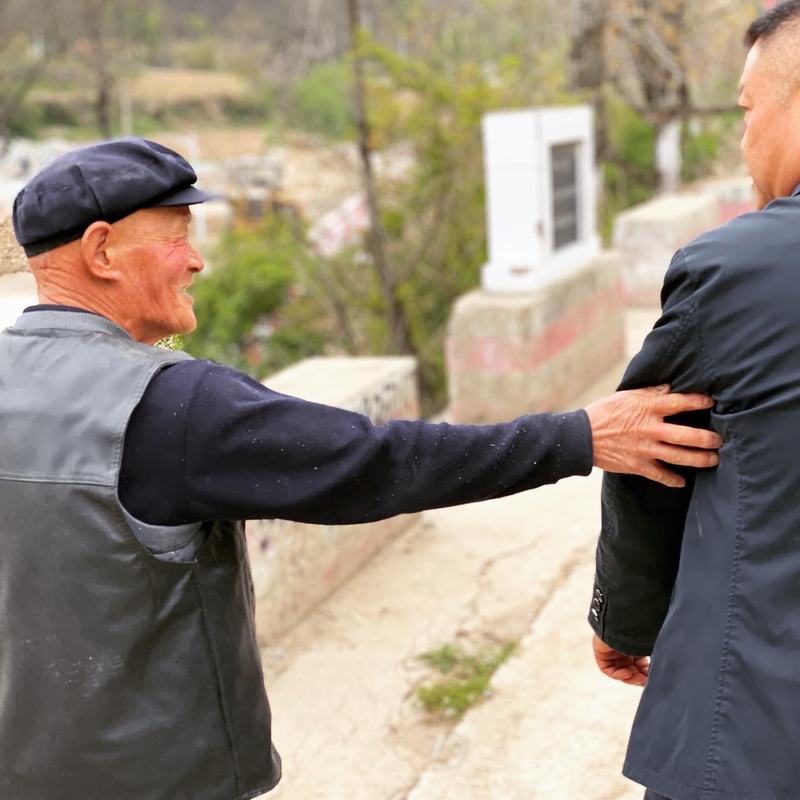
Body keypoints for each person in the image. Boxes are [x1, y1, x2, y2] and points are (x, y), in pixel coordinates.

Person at [2, 137, 719, 800]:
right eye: (177, 236)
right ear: (102, 251)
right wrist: (581, 436)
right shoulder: (174, 405)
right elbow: (375, 461)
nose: (196, 261)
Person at [588, 3, 800, 800]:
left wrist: (625, 619)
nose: (745, 141)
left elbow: (653, 457)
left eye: (748, 110)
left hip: (757, 727)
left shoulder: (736, 272)